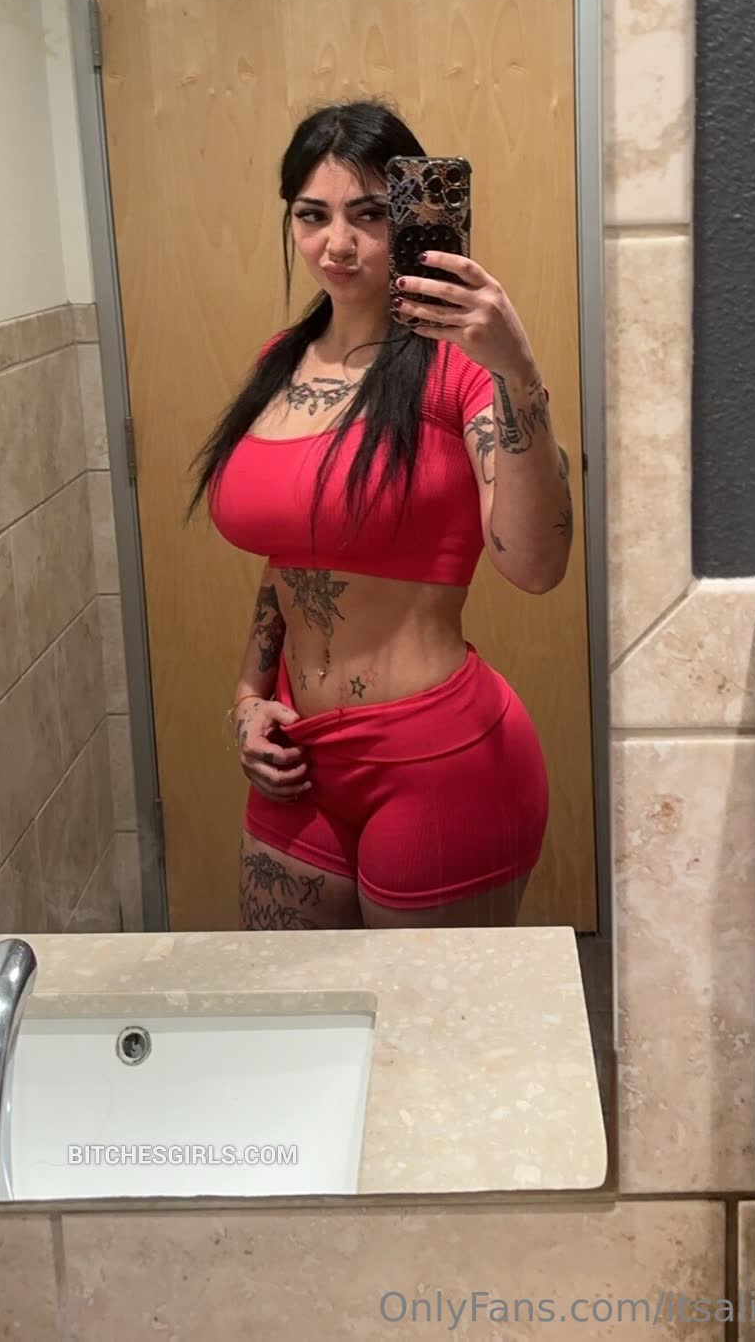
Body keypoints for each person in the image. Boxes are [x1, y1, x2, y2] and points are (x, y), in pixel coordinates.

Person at [190, 99, 572, 931]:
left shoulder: (459, 370)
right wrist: (248, 697)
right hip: (298, 763)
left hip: (440, 761)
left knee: (423, 1018)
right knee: (292, 1005)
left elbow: (537, 564)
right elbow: (291, 552)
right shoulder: (278, 363)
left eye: (367, 214)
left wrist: (514, 369)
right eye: (312, 216)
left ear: (408, 216)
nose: (338, 244)